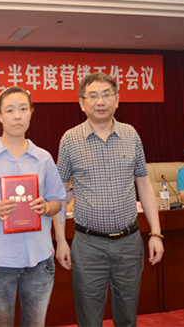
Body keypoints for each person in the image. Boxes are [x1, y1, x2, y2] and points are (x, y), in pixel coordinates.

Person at [56, 72, 163, 327]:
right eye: (93, 96)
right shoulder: (70, 139)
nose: (100, 101)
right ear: (82, 103)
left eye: (106, 95)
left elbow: (144, 184)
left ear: (117, 99)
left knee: (127, 316)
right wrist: (60, 241)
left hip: (129, 243)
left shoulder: (131, 134)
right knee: (89, 318)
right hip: (88, 245)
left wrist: (156, 233)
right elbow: (59, 193)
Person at [0, 86, 65, 327]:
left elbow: (58, 200)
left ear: (31, 113)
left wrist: (46, 207)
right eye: (9, 110)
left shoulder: (43, 158)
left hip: (38, 260)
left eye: (23, 109)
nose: (17, 116)